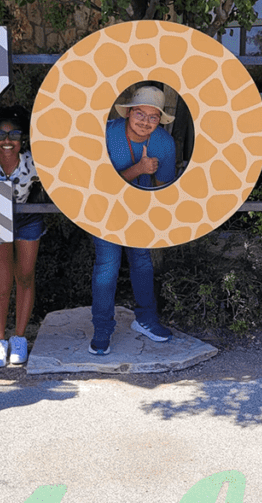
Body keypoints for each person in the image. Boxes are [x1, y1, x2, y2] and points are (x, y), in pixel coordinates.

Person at [88, 84, 177, 355]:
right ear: (128, 113)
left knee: (142, 263)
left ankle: (146, 321)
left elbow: (164, 188)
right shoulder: (106, 134)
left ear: (160, 120)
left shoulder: (163, 143)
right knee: (107, 267)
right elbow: (96, 183)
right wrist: (138, 169)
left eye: (153, 117)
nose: (146, 122)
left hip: (139, 211)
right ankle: (102, 329)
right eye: (140, 114)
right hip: (103, 210)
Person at [0, 106, 44, 367]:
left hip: (27, 219)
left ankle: (20, 338)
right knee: (0, 284)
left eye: (14, 134)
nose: (7, 141)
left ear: (22, 138)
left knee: (25, 276)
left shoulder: (32, 160)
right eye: (0, 135)